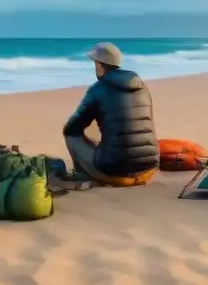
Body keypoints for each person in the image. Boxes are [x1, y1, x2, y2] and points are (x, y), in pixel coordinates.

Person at [62, 42, 159, 186]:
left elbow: (73, 127)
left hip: (115, 171)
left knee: (70, 134)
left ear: (101, 66)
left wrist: (91, 140)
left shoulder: (97, 90)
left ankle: (82, 172)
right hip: (149, 168)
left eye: (95, 64)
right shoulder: (141, 87)